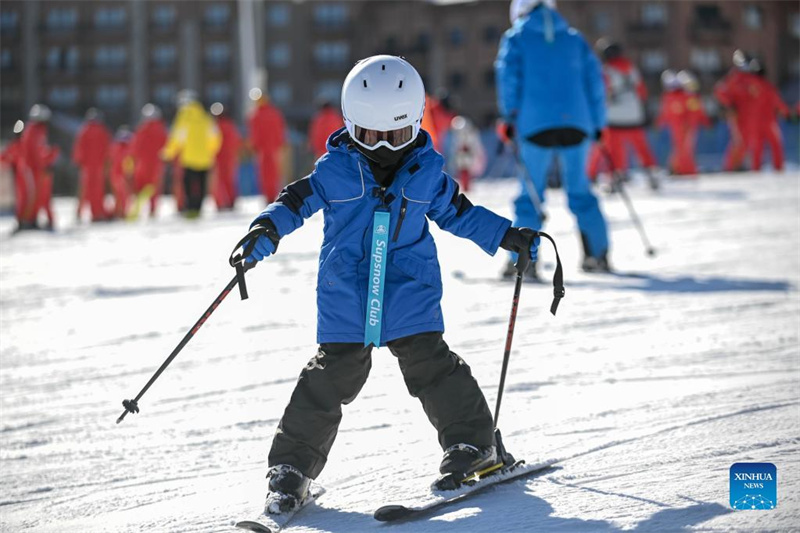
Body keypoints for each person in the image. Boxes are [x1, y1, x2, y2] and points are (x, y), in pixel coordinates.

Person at [238, 55, 540, 513]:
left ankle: (473, 446)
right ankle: (291, 469)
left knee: (433, 368)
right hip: (347, 294)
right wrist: (266, 230)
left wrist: (504, 235)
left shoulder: (427, 174)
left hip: (407, 291)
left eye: (395, 136)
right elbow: (292, 203)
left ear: (415, 124)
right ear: (350, 125)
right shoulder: (333, 171)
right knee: (327, 379)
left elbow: (461, 214)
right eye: (369, 136)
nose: (382, 148)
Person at [495, 0, 610, 275]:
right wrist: (598, 124)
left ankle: (525, 260)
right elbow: (594, 81)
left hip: (534, 125)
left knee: (531, 194)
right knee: (580, 190)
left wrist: (509, 118)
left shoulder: (516, 38)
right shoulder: (574, 38)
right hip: (578, 123)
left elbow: (509, 78)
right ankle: (598, 254)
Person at [590, 38, 659, 190]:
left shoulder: (605, 71)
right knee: (641, 146)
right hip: (635, 114)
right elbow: (642, 92)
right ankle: (652, 174)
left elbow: (601, 93)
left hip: (614, 116)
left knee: (615, 148)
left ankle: (616, 177)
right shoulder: (632, 69)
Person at [162, 90, 222, 218]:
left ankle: (190, 208)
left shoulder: (184, 118)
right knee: (201, 185)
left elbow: (177, 138)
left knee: (188, 184)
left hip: (189, 158)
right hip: (205, 159)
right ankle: (198, 208)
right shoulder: (206, 118)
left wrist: (168, 153)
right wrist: (210, 151)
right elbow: (215, 138)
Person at [714, 50, 762, 172]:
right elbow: (720, 91)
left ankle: (737, 164)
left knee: (746, 141)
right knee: (738, 141)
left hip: (749, 116)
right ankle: (730, 166)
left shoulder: (751, 79)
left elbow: (756, 96)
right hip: (736, 115)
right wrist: (729, 105)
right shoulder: (734, 77)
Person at [656, 70, 709, 176]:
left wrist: (703, 121)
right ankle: (680, 169)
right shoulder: (673, 97)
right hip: (680, 126)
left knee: (684, 148)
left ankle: (682, 169)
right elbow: (666, 113)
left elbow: (694, 111)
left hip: (685, 126)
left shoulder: (685, 97)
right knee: (682, 148)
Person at [21, 104, 60, 230]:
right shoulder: (34, 131)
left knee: (40, 195)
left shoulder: (35, 131)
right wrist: (47, 163)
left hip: (37, 168)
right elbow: (37, 153)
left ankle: (32, 219)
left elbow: (41, 152)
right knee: (33, 194)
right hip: (34, 169)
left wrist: (50, 156)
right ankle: (28, 219)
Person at [129, 103, 168, 219]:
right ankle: (153, 210)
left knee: (141, 187)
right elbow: (166, 147)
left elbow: (135, 147)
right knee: (154, 188)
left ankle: (137, 209)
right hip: (157, 164)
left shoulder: (141, 129)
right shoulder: (161, 129)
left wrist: (133, 162)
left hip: (142, 164)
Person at [248, 90, 287, 204]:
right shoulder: (275, 113)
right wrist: (281, 144)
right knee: (274, 173)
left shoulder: (255, 115)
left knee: (264, 174)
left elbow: (254, 134)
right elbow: (280, 130)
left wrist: (254, 146)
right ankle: (273, 194)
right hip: (275, 148)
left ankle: (268, 196)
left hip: (262, 149)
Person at [73, 108, 111, 222]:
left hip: (87, 166)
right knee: (98, 191)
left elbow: (79, 148)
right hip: (99, 166)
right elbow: (107, 149)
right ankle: (97, 213)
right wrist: (107, 163)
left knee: (84, 190)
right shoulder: (103, 131)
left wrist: (79, 162)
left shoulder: (84, 130)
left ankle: (79, 213)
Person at [751, 63, 790, 171]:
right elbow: (777, 102)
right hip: (769, 121)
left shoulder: (750, 87)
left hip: (754, 122)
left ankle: (756, 168)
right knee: (776, 144)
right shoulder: (768, 87)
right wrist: (787, 113)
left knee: (757, 146)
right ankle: (778, 167)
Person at [1, 120, 36, 231]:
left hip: (20, 173)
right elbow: (5, 158)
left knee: (24, 198)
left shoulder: (16, 145)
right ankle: (24, 220)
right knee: (25, 197)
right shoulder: (18, 145)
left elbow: (5, 157)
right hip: (21, 174)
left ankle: (24, 219)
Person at [209, 102, 242, 211]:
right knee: (230, 179)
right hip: (230, 157)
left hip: (218, 157)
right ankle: (231, 201)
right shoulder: (231, 126)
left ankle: (220, 203)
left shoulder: (215, 127)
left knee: (218, 181)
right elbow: (237, 142)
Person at [448, 115, 486, 192]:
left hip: (468, 155)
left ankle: (467, 187)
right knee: (462, 171)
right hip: (461, 155)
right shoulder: (455, 135)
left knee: (467, 171)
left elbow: (474, 144)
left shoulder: (471, 133)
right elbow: (454, 146)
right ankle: (465, 186)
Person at [109, 126, 133, 219]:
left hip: (115, 174)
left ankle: (118, 211)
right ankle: (122, 212)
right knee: (124, 194)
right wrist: (129, 174)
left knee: (118, 195)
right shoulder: (128, 149)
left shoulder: (114, 147)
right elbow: (128, 163)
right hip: (123, 175)